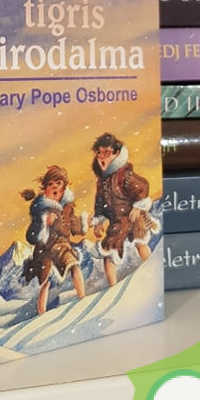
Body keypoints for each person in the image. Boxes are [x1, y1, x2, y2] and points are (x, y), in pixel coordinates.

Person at [90, 132, 157, 287]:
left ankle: (154, 271)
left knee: (140, 243)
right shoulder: (102, 181)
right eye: (99, 153)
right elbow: (100, 201)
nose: (102, 157)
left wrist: (138, 207)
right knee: (109, 252)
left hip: (133, 217)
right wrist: (99, 221)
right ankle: (112, 287)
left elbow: (142, 186)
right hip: (117, 221)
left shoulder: (124, 175)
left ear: (116, 153)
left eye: (106, 153)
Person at [20, 164, 88, 315]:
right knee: (45, 281)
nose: (54, 187)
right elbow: (31, 236)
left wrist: (84, 223)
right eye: (50, 184)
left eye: (58, 183)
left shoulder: (67, 209)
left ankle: (82, 297)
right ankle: (41, 313)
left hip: (62, 247)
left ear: (64, 187)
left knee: (74, 265)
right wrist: (44, 223)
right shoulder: (41, 210)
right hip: (45, 250)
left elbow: (74, 226)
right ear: (45, 189)